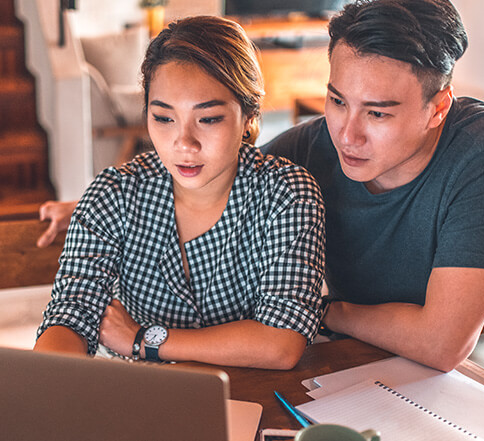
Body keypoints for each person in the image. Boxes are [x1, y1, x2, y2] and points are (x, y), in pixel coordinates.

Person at [36, 0, 484, 373]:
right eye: (337, 101)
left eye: (378, 113)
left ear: (438, 107)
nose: (348, 133)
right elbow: (214, 168)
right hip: (344, 365)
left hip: (469, 377)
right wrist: (90, 207)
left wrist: (318, 312)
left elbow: (443, 344)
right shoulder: (312, 149)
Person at [33, 16, 326, 370]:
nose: (183, 144)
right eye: (163, 118)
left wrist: (144, 340)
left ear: (249, 115)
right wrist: (47, 383)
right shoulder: (113, 195)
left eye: (209, 118)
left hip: (253, 396)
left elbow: (281, 342)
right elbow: (71, 315)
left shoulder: (287, 195)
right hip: (144, 399)